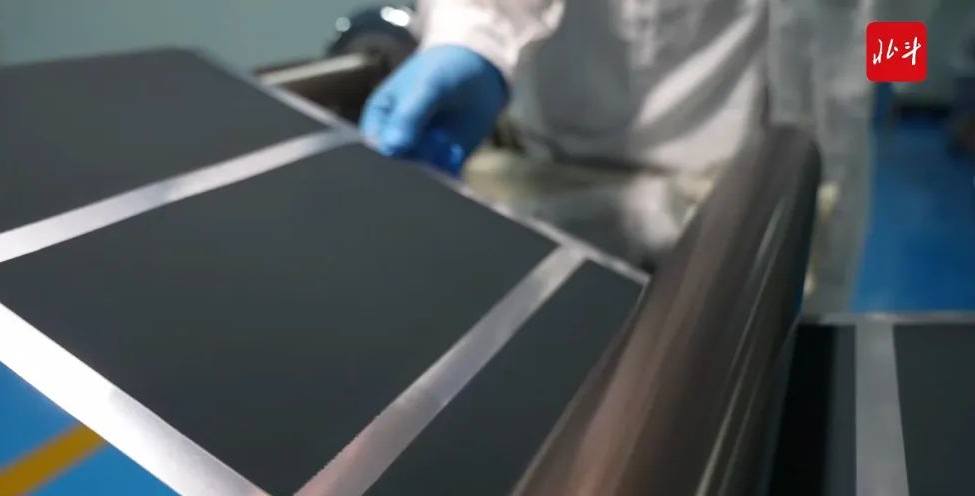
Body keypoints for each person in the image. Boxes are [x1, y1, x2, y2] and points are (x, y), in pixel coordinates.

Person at [359, 0, 879, 312]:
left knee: (783, 374)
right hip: (597, 186)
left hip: (819, 172)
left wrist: (894, 69)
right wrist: (475, 36)